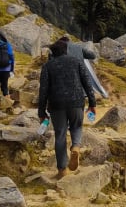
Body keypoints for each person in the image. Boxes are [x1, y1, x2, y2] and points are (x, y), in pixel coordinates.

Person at [37, 39, 97, 179]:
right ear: (66, 50)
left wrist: (41, 112)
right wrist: (92, 103)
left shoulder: (47, 66)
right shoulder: (76, 62)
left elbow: (43, 91)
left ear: (53, 53)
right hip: (76, 102)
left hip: (56, 105)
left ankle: (62, 170)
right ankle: (75, 146)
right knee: (76, 127)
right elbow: (87, 83)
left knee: (60, 135)